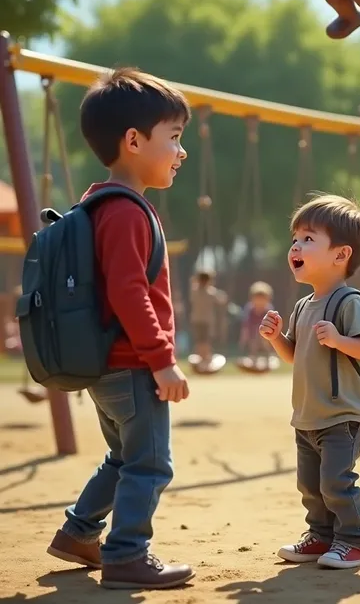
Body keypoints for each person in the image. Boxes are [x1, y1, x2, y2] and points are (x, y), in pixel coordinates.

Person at [46, 68, 195, 590]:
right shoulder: (129, 212)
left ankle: (79, 532)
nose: (181, 151)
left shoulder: (97, 202)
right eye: (173, 138)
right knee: (150, 464)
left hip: (106, 365)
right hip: (134, 365)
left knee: (122, 456)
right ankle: (127, 554)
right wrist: (161, 359)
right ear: (133, 141)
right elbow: (128, 293)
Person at [259, 194, 360, 569]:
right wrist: (277, 338)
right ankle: (320, 536)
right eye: (295, 238)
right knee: (311, 486)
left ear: (340, 255)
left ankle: (355, 541)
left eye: (308, 238)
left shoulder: (349, 302)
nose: (296, 245)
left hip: (342, 414)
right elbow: (294, 355)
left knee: (336, 483)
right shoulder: (303, 305)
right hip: (308, 414)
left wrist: (340, 340)